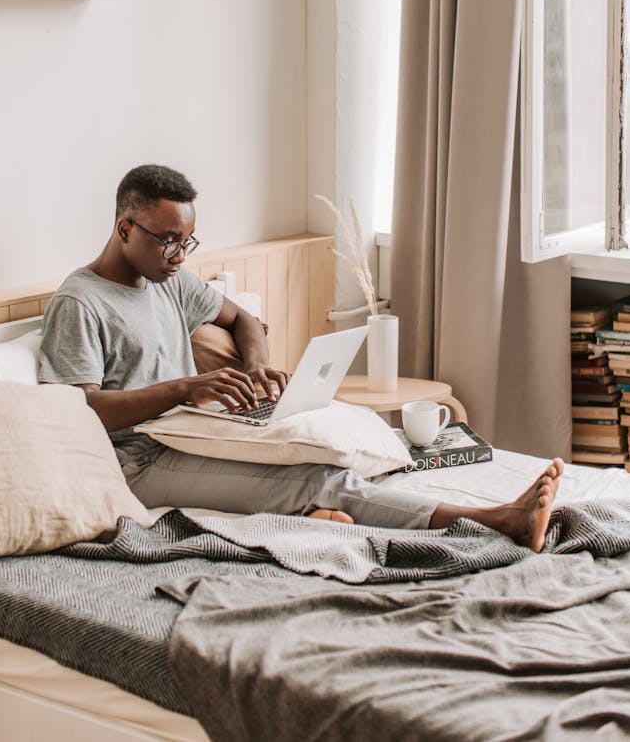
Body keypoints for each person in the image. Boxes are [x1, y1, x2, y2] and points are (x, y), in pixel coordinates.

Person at [39, 164, 563, 552]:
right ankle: (493, 521)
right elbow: (77, 410)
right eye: (168, 242)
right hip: (136, 462)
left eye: (187, 242)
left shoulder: (167, 281)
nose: (179, 255)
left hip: (194, 429)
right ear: (125, 228)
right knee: (315, 476)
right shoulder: (80, 302)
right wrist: (183, 388)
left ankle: (322, 515)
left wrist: (256, 367)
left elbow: (242, 319)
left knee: (322, 451)